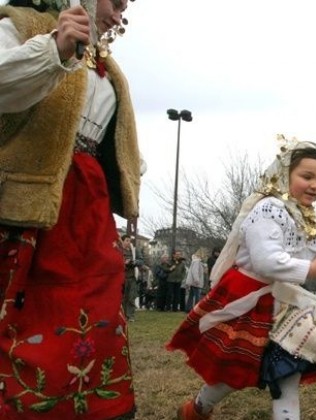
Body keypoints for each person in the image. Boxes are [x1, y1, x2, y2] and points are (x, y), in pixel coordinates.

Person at [0, 0, 140, 418]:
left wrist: (130, 185)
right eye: (115, 3)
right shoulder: (22, 25)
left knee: (94, 312)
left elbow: (122, 143)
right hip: (26, 205)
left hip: (88, 207)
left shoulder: (109, 68)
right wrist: (52, 50)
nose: (119, 16)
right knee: (25, 316)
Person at [167, 137, 316, 420]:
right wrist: (310, 271)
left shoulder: (297, 215)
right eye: (307, 176)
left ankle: (199, 409)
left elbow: (311, 253)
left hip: (281, 303)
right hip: (250, 299)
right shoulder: (269, 208)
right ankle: (198, 409)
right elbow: (266, 260)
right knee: (234, 370)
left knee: (287, 370)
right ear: (285, 175)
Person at [122, 234, 143, 321]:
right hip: (122, 277)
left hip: (132, 277)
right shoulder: (119, 250)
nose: (128, 242)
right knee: (123, 297)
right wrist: (124, 262)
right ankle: (122, 315)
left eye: (129, 240)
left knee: (131, 297)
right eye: (126, 240)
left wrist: (134, 262)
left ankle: (130, 315)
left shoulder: (134, 250)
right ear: (122, 241)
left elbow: (141, 261)